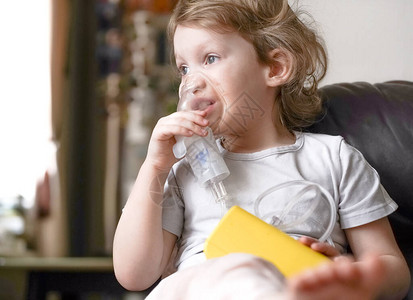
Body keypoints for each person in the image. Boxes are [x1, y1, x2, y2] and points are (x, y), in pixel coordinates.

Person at [113, 0, 410, 299]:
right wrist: (154, 168)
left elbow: (394, 270)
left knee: (255, 272)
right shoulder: (183, 171)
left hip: (292, 288)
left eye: (211, 58)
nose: (192, 83)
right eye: (184, 68)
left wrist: (350, 275)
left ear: (275, 67)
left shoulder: (333, 159)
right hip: (196, 288)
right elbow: (134, 275)